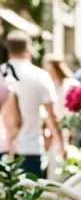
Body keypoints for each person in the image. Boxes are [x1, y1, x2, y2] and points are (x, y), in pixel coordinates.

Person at [2, 31, 63, 177]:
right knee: (31, 191)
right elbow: (52, 115)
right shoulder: (40, 76)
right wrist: (62, 144)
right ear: (28, 49)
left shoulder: (1, 73)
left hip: (3, 148)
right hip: (30, 149)